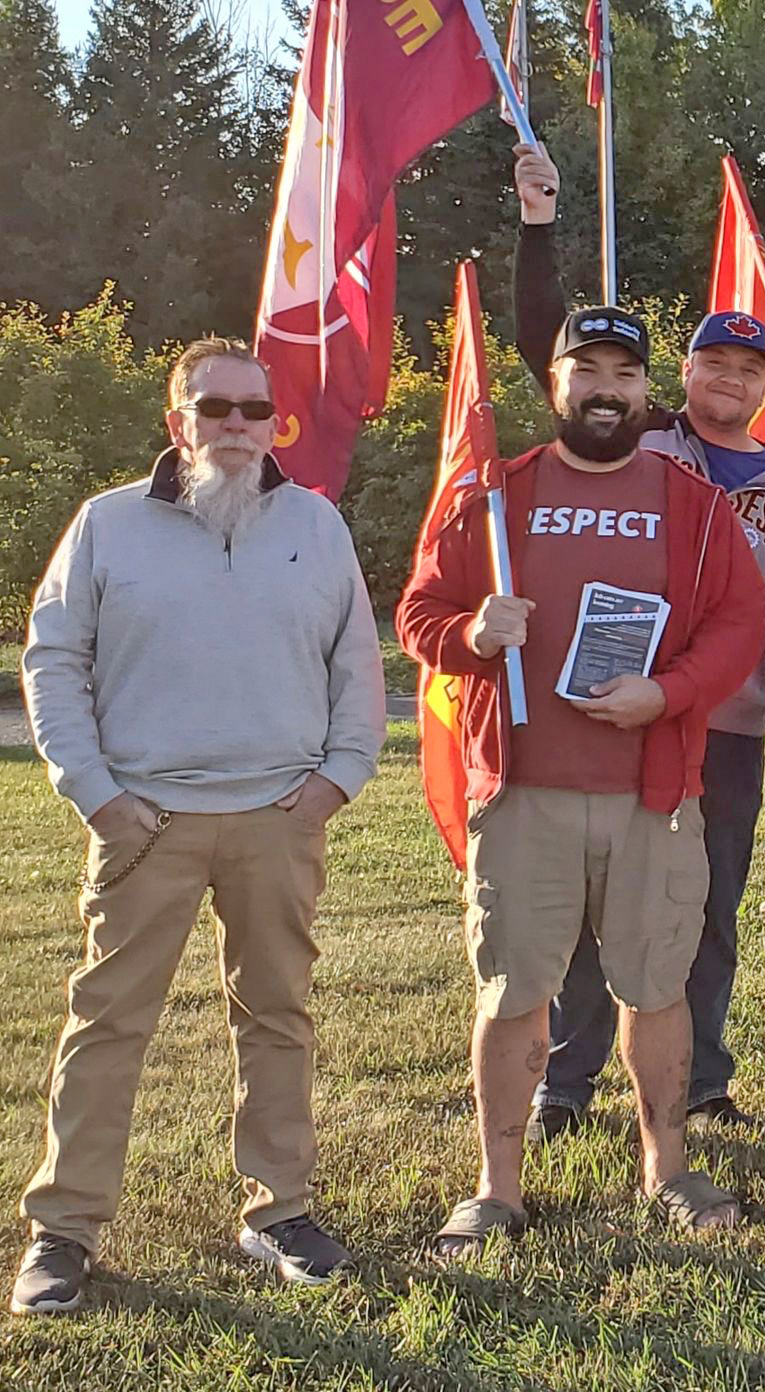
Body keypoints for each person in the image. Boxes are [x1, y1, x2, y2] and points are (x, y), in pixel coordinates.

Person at [12, 338, 386, 1315]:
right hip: (144, 819)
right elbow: (53, 660)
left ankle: (280, 1212)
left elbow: (357, 660)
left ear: (273, 423)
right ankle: (63, 1231)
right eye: (214, 407)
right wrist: (94, 791)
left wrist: (339, 777)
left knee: (277, 1017)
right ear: (176, 422)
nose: (236, 425)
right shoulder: (106, 525)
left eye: (254, 409)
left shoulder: (316, 525)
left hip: (278, 818)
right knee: (107, 1022)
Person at [395, 306, 765, 1257]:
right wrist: (472, 634)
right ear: (556, 382)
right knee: (514, 989)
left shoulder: (693, 503)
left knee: (657, 985)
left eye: (624, 374)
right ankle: (497, 1188)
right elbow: (419, 612)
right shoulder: (496, 494)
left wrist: (667, 694)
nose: (607, 390)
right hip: (525, 792)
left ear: (647, 389)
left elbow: (738, 624)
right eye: (587, 371)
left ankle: (667, 1168)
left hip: (653, 794)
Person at [510, 142, 765, 1141]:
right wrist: (537, 229)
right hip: (608, 711)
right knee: (584, 910)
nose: (730, 379)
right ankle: (565, 1086)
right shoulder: (639, 437)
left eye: (749, 369)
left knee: (706, 908)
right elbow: (547, 347)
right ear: (681, 374)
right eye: (713, 363)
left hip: (723, 728)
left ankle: (700, 1079)